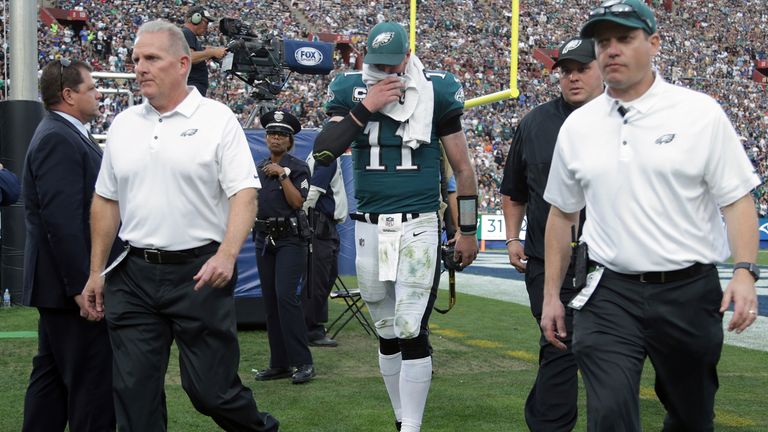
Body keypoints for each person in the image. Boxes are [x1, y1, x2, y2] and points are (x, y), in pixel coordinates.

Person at [541, 1, 761, 430]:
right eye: (604, 42)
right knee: (609, 414)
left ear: (654, 43)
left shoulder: (699, 113)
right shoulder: (579, 126)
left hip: (687, 290)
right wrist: (552, 295)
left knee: (692, 417)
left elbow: (736, 199)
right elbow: (561, 215)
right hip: (609, 292)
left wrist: (744, 271)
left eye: (624, 39)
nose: (611, 50)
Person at [82, 20, 278, 432]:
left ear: (184, 63)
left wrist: (226, 254)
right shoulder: (123, 124)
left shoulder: (216, 119)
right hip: (133, 274)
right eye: (136, 59)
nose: (139, 68)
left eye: (152, 58)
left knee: (211, 391)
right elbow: (106, 199)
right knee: (134, 396)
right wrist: (96, 271)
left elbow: (244, 193)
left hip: (198, 273)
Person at [312, 21, 479, 432]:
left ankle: (412, 427)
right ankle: (400, 416)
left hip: (418, 223)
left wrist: (469, 230)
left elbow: (463, 167)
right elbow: (323, 152)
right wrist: (365, 106)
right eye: (377, 65)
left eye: (392, 66)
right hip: (372, 226)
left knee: (409, 324)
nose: (385, 74)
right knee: (386, 328)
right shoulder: (351, 89)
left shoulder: (434, 90)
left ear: (407, 58)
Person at [500, 36, 603, 431]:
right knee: (559, 343)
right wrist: (512, 239)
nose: (573, 78)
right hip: (549, 260)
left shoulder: (625, 119)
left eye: (582, 69)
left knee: (600, 351)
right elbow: (514, 191)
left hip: (609, 261)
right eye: (566, 71)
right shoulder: (535, 123)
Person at [21, 59, 120, 432]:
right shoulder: (57, 138)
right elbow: (60, 221)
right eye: (91, 88)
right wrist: (83, 284)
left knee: (50, 381)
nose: (98, 94)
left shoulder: (62, 133)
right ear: (68, 95)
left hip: (59, 288)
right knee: (91, 385)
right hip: (71, 289)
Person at [252, 109, 315, 384]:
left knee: (287, 299)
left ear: (290, 141)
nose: (275, 138)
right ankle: (279, 363)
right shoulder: (257, 168)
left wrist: (282, 175)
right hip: (264, 239)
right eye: (271, 133)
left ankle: (303, 362)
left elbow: (297, 202)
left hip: (290, 240)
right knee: (270, 303)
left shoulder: (298, 167)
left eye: (281, 135)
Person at [301, 152, 348, 348]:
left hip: (322, 223)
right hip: (319, 224)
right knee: (318, 279)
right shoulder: (326, 155)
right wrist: (301, 215)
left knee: (324, 276)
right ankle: (309, 329)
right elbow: (314, 191)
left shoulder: (322, 154)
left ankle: (311, 326)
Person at [182, 6, 226, 96]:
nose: (207, 27)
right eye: (206, 22)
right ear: (195, 19)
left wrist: (206, 52)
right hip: (191, 89)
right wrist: (211, 52)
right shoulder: (187, 33)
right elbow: (189, 57)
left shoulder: (189, 35)